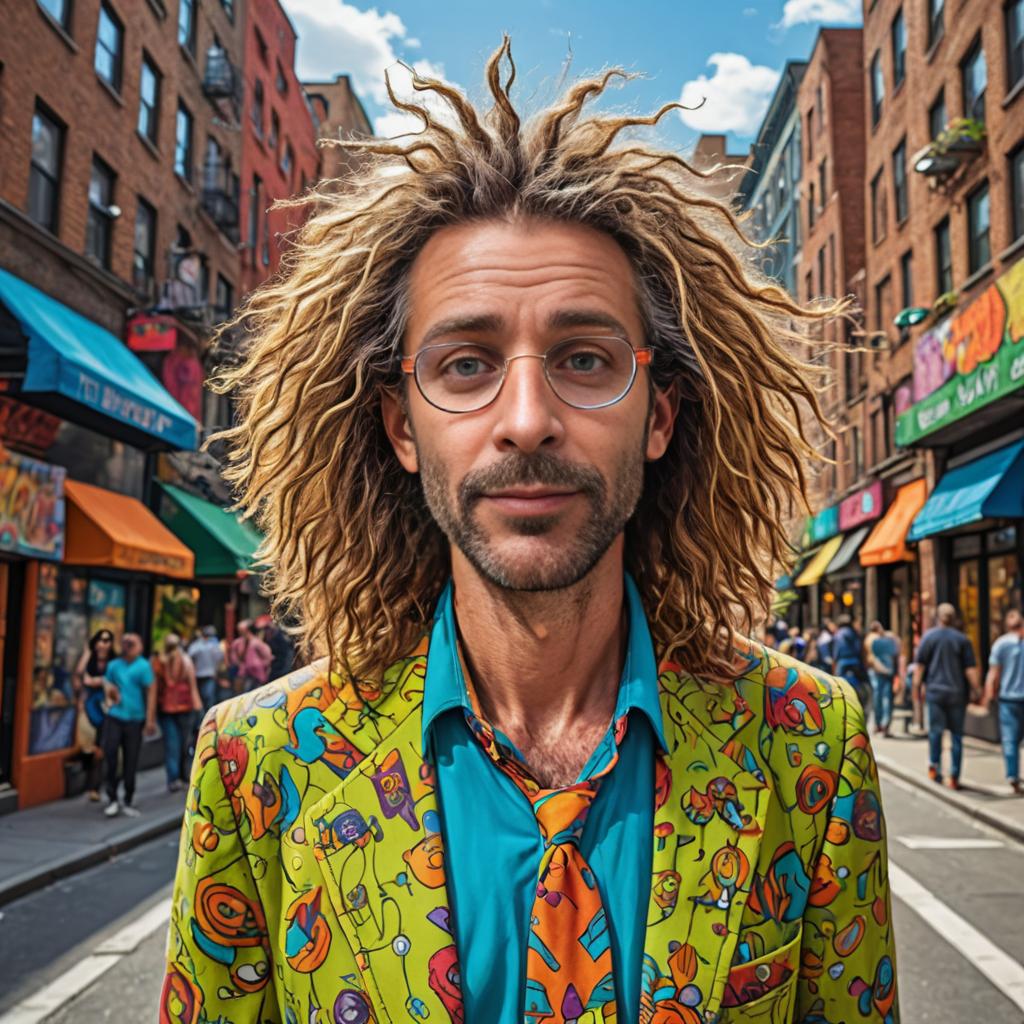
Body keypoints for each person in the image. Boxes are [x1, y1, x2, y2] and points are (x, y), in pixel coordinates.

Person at [163, 44, 897, 1024]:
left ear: (662, 414)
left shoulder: (811, 747)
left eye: (584, 357)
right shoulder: (257, 764)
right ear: (399, 427)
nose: (525, 418)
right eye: (464, 364)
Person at [914, 603, 980, 790]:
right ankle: (954, 776)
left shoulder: (929, 637)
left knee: (935, 732)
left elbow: (920, 667)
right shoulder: (962, 640)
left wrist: (917, 690)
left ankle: (934, 768)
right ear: (954, 619)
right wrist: (977, 690)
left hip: (935, 692)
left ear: (938, 617)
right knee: (956, 736)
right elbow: (970, 670)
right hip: (957, 693)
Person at [101, 634, 154, 817]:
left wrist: (150, 719)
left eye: (132, 643)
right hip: (115, 716)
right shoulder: (114, 665)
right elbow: (106, 684)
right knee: (111, 753)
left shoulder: (143, 666)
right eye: (125, 643)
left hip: (134, 718)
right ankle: (112, 796)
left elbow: (151, 692)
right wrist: (111, 694)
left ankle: (128, 797)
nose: (128, 646)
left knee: (131, 758)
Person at [147, 633, 203, 791]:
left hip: (175, 708)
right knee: (179, 744)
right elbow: (192, 687)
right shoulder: (181, 661)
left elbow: (191, 686)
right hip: (177, 708)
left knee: (177, 744)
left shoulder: (161, 662)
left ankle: (177, 777)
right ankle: (177, 777)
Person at [981, 609, 1024, 794]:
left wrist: (988, 697)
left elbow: (993, 673)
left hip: (1008, 699)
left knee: (1010, 739)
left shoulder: (1001, 644)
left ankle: (1013, 776)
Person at [72, 629, 114, 801]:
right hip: (89, 707)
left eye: (107, 640)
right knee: (87, 746)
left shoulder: (115, 662)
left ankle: (94, 787)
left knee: (101, 748)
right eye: (100, 640)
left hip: (107, 708)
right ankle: (90, 782)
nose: (103, 644)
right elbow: (79, 676)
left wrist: (100, 682)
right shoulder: (90, 660)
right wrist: (87, 652)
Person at [865, 620, 900, 737]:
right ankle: (883, 725)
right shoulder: (884, 639)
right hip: (882, 670)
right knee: (885, 698)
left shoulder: (870, 639)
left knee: (878, 697)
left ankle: (879, 724)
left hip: (876, 670)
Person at [834, 614, 870, 720]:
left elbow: (836, 652)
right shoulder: (854, 633)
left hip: (842, 663)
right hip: (855, 662)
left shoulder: (838, 634)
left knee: (839, 688)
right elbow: (858, 648)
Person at [228, 619, 273, 693]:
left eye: (242, 630)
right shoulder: (237, 643)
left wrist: (261, 666)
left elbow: (268, 655)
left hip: (258, 676)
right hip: (244, 675)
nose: (240, 632)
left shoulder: (256, 642)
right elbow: (234, 658)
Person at [187, 625, 225, 711]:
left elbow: (219, 658)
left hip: (208, 675)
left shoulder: (210, 645)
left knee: (207, 697)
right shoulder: (200, 645)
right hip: (200, 675)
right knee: (204, 697)